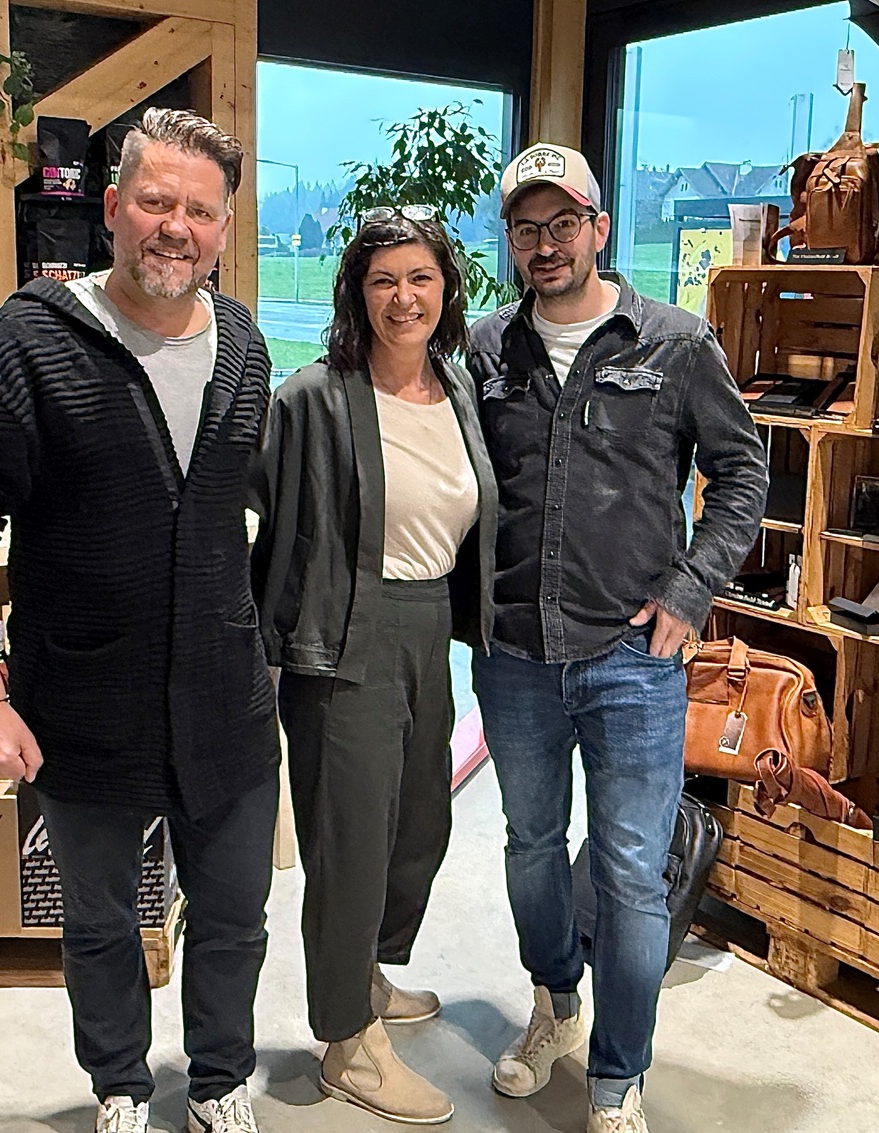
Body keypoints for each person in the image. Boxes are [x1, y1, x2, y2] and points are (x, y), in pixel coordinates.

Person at [0, 108, 276, 1133]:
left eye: (199, 211)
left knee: (234, 916)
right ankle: (119, 1085)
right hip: (79, 697)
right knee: (100, 918)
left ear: (222, 227)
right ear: (111, 207)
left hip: (224, 699)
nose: (176, 228)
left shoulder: (243, 342)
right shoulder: (25, 342)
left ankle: (218, 1083)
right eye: (156, 202)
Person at [466, 143, 769, 1133]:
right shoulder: (483, 347)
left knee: (631, 871)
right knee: (526, 847)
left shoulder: (673, 342)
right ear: (508, 237)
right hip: (512, 653)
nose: (544, 244)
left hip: (633, 660)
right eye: (525, 226)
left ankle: (615, 1072)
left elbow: (742, 473)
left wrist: (691, 590)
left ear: (598, 228)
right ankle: (555, 1003)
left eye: (563, 224)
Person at [250, 206, 497, 1126]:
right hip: (340, 632)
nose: (404, 296)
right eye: (384, 278)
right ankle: (344, 1039)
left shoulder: (458, 387)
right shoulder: (313, 395)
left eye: (420, 277)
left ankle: (365, 969)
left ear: (446, 288)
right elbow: (260, 520)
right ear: (357, 291)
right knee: (350, 840)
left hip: (430, 624)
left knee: (418, 826)